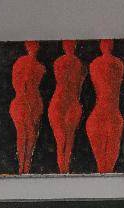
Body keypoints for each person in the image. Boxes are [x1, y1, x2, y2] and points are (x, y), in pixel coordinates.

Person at [85, 39, 124, 173]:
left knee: (103, 166)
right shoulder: (119, 64)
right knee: (107, 167)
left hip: (99, 116)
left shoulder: (94, 64)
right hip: (111, 116)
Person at [48, 40, 85, 173]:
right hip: (65, 103)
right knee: (65, 140)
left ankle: (64, 171)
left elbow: (71, 85)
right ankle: (63, 170)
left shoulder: (59, 62)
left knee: (65, 141)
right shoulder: (77, 63)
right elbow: (77, 87)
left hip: (64, 103)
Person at [9, 40, 45, 174]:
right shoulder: (36, 66)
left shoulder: (37, 66)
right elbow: (20, 84)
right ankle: (23, 166)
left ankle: (25, 166)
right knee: (26, 134)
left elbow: (18, 83)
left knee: (28, 135)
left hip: (30, 102)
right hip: (25, 102)